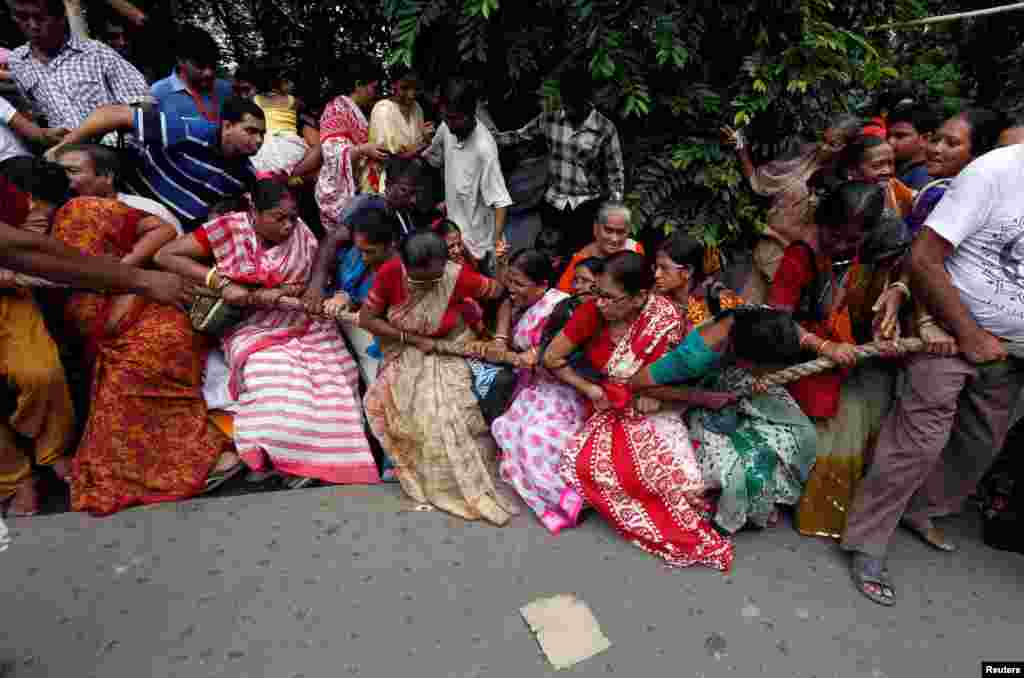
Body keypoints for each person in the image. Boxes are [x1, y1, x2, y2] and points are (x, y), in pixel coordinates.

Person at [841, 139, 1024, 607]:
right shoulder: (994, 174)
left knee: (980, 442)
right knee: (918, 441)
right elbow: (922, 257)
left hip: (1012, 350)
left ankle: (920, 509)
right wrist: (964, 332)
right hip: (949, 327)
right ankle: (868, 541)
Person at [155, 180, 378, 488]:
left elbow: (307, 286)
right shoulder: (229, 230)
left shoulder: (303, 235)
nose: (289, 226)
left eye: (293, 217)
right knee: (274, 381)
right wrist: (219, 282)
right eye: (278, 218)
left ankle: (312, 461)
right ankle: (281, 455)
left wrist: (284, 293)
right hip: (251, 324)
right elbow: (165, 256)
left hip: (302, 318)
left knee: (336, 377)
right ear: (254, 213)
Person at [44, 180, 238, 515]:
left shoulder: (83, 210)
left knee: (133, 381)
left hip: (149, 312)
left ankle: (210, 455)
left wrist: (122, 272)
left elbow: (160, 230)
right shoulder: (22, 249)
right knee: (117, 401)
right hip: (108, 336)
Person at [544, 251, 733, 570]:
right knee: (598, 470)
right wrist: (589, 388)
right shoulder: (593, 311)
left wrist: (661, 400)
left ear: (639, 297)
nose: (600, 302)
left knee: (685, 491)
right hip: (609, 405)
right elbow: (551, 358)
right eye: (598, 293)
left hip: (659, 406)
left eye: (610, 297)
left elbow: (679, 378)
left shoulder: (668, 318)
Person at [651, 231, 817, 532]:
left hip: (736, 378)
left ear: (686, 273)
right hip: (689, 393)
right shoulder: (653, 304)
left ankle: (762, 497)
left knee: (800, 433)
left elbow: (767, 319)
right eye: (656, 267)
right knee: (738, 465)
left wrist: (822, 346)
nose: (656, 275)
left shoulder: (718, 298)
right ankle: (737, 504)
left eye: (663, 268)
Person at [767, 181, 900, 541]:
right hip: (789, 348)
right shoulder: (800, 254)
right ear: (824, 221)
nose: (841, 246)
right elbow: (777, 319)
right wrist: (823, 346)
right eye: (836, 236)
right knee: (825, 419)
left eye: (851, 241)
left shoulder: (855, 250)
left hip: (835, 344)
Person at [359, 231, 519, 523]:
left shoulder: (459, 277)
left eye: (435, 281)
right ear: (405, 266)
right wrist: (410, 338)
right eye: (420, 281)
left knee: (453, 411)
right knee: (399, 405)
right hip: (403, 348)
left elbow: (502, 295)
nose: (429, 287)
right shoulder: (390, 273)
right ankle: (412, 472)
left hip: (451, 348)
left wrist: (499, 337)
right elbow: (367, 319)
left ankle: (462, 479)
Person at [50, 96, 264, 231]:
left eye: (262, 134)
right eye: (251, 131)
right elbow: (111, 114)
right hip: (127, 203)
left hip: (168, 234)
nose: (259, 140)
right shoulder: (188, 131)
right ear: (227, 126)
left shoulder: (245, 176)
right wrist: (60, 149)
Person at [490, 249, 588, 534]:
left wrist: (521, 358)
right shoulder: (518, 302)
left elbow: (549, 360)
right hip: (533, 385)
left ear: (542, 285)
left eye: (519, 283)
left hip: (561, 388)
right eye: (510, 281)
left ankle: (569, 500)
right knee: (508, 429)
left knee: (534, 437)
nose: (512, 289)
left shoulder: (558, 308)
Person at [0, 158, 75, 517]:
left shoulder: (26, 214)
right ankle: (15, 479)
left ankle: (52, 450)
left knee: (42, 373)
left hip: (13, 300)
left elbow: (36, 259)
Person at [723, 114, 862, 298]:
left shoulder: (843, 186)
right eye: (823, 140)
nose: (823, 147)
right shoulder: (804, 158)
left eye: (832, 144)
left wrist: (781, 238)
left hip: (796, 266)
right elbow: (760, 182)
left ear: (846, 148)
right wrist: (740, 148)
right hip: (766, 252)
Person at [494, 67, 625, 256]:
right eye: (566, 101)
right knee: (549, 258)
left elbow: (615, 174)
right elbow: (518, 136)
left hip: (586, 206)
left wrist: (614, 212)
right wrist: (488, 137)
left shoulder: (604, 128)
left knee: (580, 259)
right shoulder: (550, 118)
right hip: (553, 204)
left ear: (587, 100)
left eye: (574, 103)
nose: (569, 108)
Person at [5, 0, 151, 130]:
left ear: (61, 18)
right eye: (23, 18)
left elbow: (143, 105)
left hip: (112, 147)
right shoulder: (18, 62)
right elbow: (31, 112)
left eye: (40, 18)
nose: (33, 25)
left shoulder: (96, 53)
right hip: (61, 150)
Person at [424, 79, 512, 274]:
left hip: (478, 248)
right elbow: (433, 159)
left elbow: (501, 202)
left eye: (455, 118)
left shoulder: (484, 148)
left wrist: (496, 244)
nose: (449, 123)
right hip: (454, 239)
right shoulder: (447, 127)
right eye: (446, 117)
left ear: (470, 113)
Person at [306, 203, 400, 385]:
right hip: (343, 317)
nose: (363, 257)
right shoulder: (355, 252)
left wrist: (348, 301)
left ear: (391, 244)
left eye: (370, 252)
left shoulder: (400, 272)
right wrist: (341, 297)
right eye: (360, 250)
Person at [904, 109, 1008, 238]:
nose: (936, 149)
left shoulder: (942, 194)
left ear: (976, 154)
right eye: (935, 140)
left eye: (952, 144)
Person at [316, 63, 387, 231]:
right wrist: (363, 150)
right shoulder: (335, 109)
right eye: (373, 87)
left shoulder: (358, 112)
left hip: (360, 188)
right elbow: (332, 154)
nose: (374, 93)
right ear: (358, 85)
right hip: (340, 192)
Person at [53, 143, 182, 232]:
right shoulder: (52, 214)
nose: (63, 177)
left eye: (72, 170)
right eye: (59, 171)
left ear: (107, 176)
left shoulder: (148, 211)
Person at [150, 25, 233, 123]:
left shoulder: (225, 89)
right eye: (200, 65)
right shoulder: (158, 94)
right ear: (180, 61)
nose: (208, 73)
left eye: (213, 65)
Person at [368, 70, 434, 191]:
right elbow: (390, 156)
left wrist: (426, 139)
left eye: (415, 88)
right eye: (405, 88)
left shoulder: (417, 108)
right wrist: (424, 143)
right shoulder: (383, 109)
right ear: (393, 85)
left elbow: (417, 149)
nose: (411, 94)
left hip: (413, 182)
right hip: (388, 184)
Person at [251, 65, 320, 181]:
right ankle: (293, 174)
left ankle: (281, 175)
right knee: (318, 150)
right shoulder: (293, 101)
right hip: (291, 141)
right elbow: (307, 113)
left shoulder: (256, 99)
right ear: (280, 83)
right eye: (287, 82)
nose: (291, 85)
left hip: (267, 143)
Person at [555, 202, 642, 292]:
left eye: (620, 232)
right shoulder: (582, 257)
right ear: (596, 228)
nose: (614, 239)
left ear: (628, 231)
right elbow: (561, 293)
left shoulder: (634, 248)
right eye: (608, 230)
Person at [887, 105, 940, 191]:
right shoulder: (898, 167)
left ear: (925, 138)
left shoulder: (923, 178)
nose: (890, 141)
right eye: (888, 135)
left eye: (900, 136)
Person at [0, 94, 67, 162]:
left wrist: (46, 134)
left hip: (25, 160)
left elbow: (34, 132)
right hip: (15, 164)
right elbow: (34, 133)